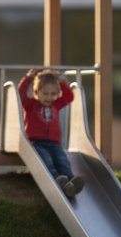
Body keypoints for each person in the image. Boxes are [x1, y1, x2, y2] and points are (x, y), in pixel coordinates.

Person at [18, 68, 84, 197]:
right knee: (47, 161)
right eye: (45, 93)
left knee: (62, 160)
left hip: (54, 143)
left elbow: (69, 96)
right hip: (37, 142)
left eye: (53, 94)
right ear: (37, 92)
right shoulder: (31, 105)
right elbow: (20, 93)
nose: (49, 97)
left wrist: (60, 80)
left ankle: (70, 182)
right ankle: (57, 180)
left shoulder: (56, 105)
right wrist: (28, 78)